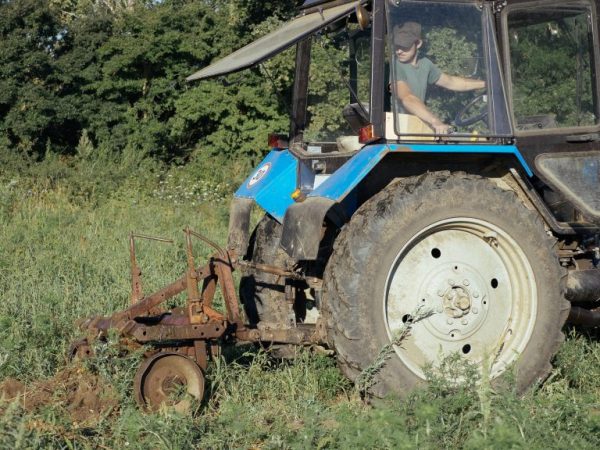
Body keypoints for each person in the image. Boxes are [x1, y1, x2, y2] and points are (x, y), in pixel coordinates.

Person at [393, 22, 485, 134]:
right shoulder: (395, 65)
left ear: (418, 43)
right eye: (397, 46)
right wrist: (435, 121)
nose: (399, 51)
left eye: (404, 46)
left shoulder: (425, 64)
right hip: (397, 128)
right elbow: (407, 98)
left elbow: (450, 82)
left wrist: (486, 84)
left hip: (416, 127)